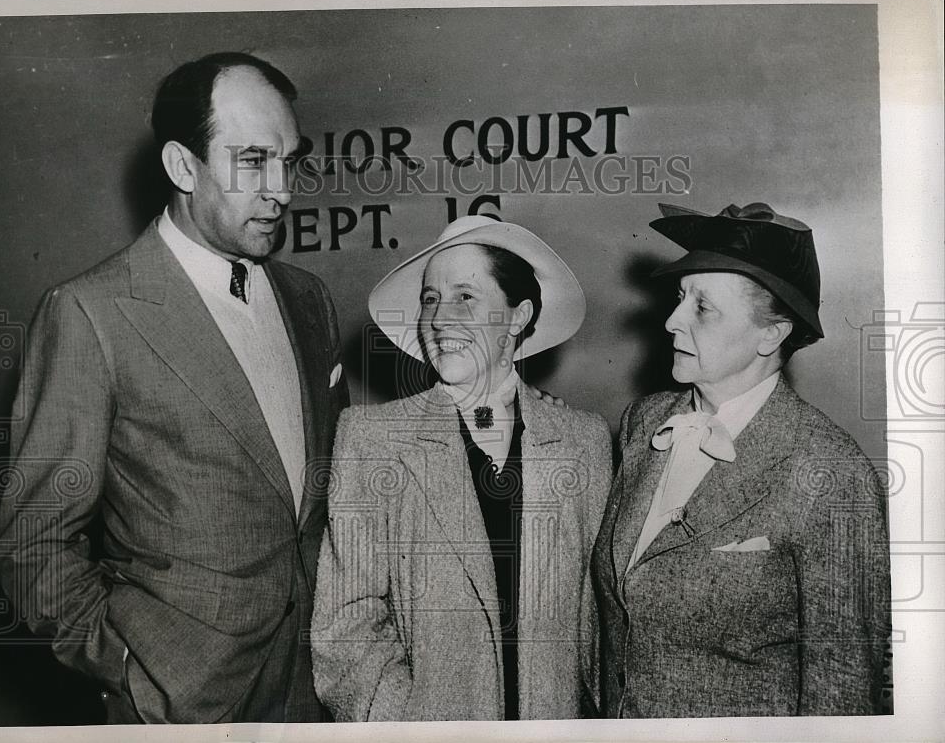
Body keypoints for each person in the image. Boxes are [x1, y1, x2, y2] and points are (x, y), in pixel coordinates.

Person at [0, 52, 349, 723]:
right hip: (181, 704)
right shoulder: (90, 313)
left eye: (290, 160)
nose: (282, 189)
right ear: (183, 167)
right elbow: (33, 546)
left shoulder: (309, 299)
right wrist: (136, 665)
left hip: (317, 688)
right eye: (251, 162)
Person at [590, 202, 891, 717]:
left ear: (770, 335)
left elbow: (842, 687)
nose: (671, 321)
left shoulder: (830, 470)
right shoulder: (644, 422)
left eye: (702, 308)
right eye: (680, 298)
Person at [311, 216, 612, 721]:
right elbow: (344, 629)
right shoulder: (371, 439)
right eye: (430, 299)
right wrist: (409, 725)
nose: (439, 318)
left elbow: (597, 622)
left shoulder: (584, 441)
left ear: (518, 317)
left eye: (465, 298)